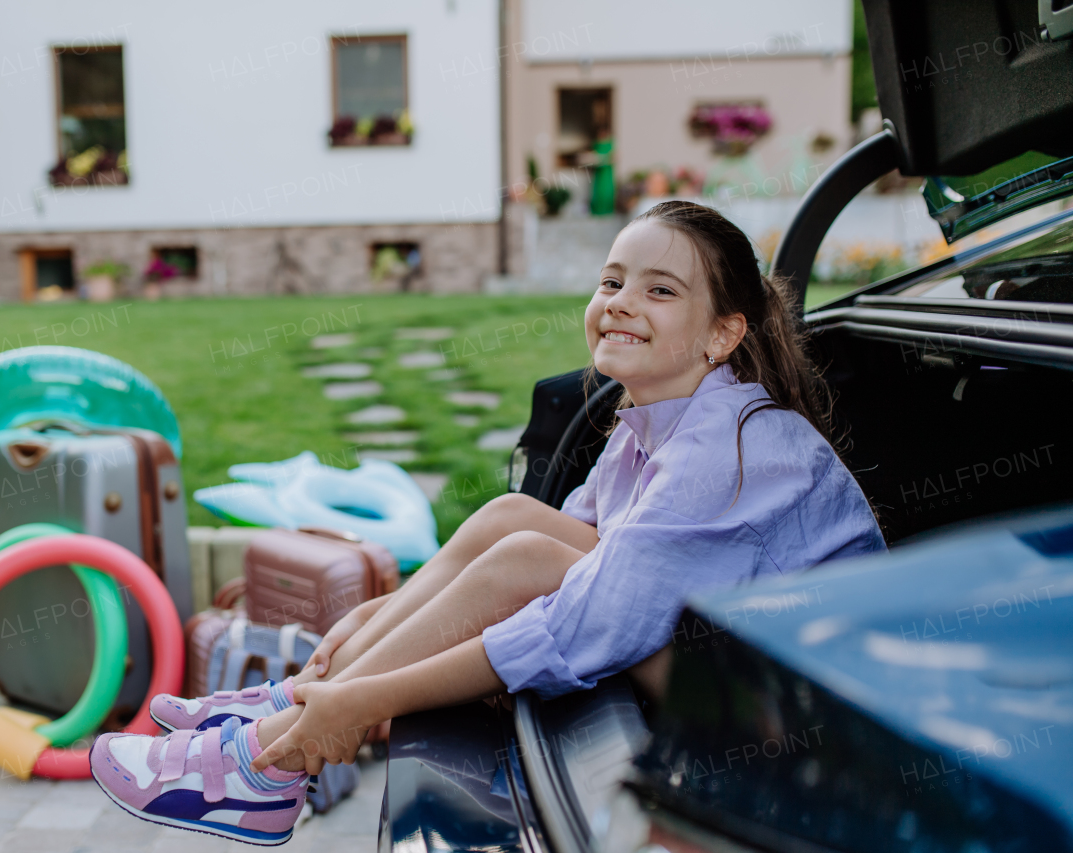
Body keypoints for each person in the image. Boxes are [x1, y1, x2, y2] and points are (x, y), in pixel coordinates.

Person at [89, 201, 886, 845]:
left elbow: (572, 619)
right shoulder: (652, 420)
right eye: (612, 280)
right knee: (513, 516)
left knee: (530, 556)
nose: (620, 302)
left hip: (806, 730)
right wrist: (375, 617)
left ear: (724, 334)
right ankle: (291, 713)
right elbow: (547, 537)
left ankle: (272, 757)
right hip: (742, 669)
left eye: (660, 290)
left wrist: (363, 705)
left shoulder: (730, 445)